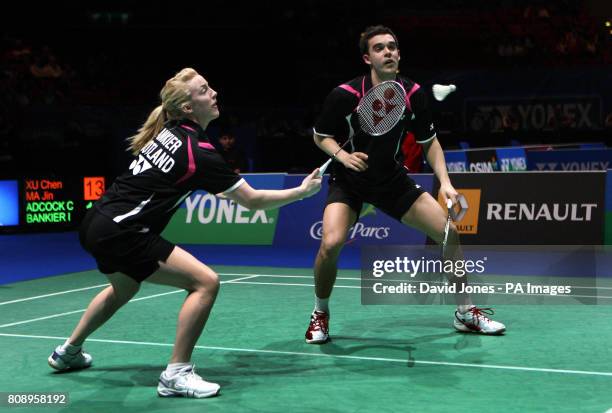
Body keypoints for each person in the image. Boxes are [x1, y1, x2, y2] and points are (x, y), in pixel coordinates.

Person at [47, 68, 322, 398]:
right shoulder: (198, 152)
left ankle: (67, 352)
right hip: (124, 231)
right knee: (205, 282)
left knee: (123, 288)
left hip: (96, 223)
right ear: (188, 108)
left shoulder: (168, 133)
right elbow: (253, 201)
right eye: (204, 90)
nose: (214, 93)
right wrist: (302, 192)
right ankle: (176, 374)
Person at [305, 26, 505, 344]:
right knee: (330, 244)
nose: (388, 52)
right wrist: (342, 156)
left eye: (393, 47)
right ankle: (320, 313)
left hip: (391, 180)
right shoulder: (345, 95)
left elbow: (430, 142)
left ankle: (465, 313)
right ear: (367, 58)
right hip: (350, 181)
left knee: (448, 232)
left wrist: (446, 182)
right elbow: (320, 136)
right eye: (380, 48)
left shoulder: (412, 94)